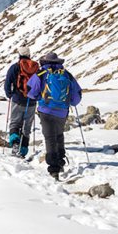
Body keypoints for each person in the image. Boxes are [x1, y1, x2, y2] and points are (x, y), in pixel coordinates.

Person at [27, 52, 82, 180]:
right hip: (62, 111)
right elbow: (76, 97)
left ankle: (54, 168)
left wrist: (38, 98)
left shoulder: (41, 73)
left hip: (45, 110)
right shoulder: (66, 74)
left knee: (49, 137)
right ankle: (61, 160)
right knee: (59, 134)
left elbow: (31, 92)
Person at [4, 46, 40, 157]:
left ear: (19, 55)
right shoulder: (36, 68)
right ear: (29, 55)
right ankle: (23, 150)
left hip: (17, 99)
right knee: (27, 126)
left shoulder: (15, 67)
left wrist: (9, 94)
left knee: (15, 123)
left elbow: (7, 83)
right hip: (31, 101)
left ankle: (15, 145)